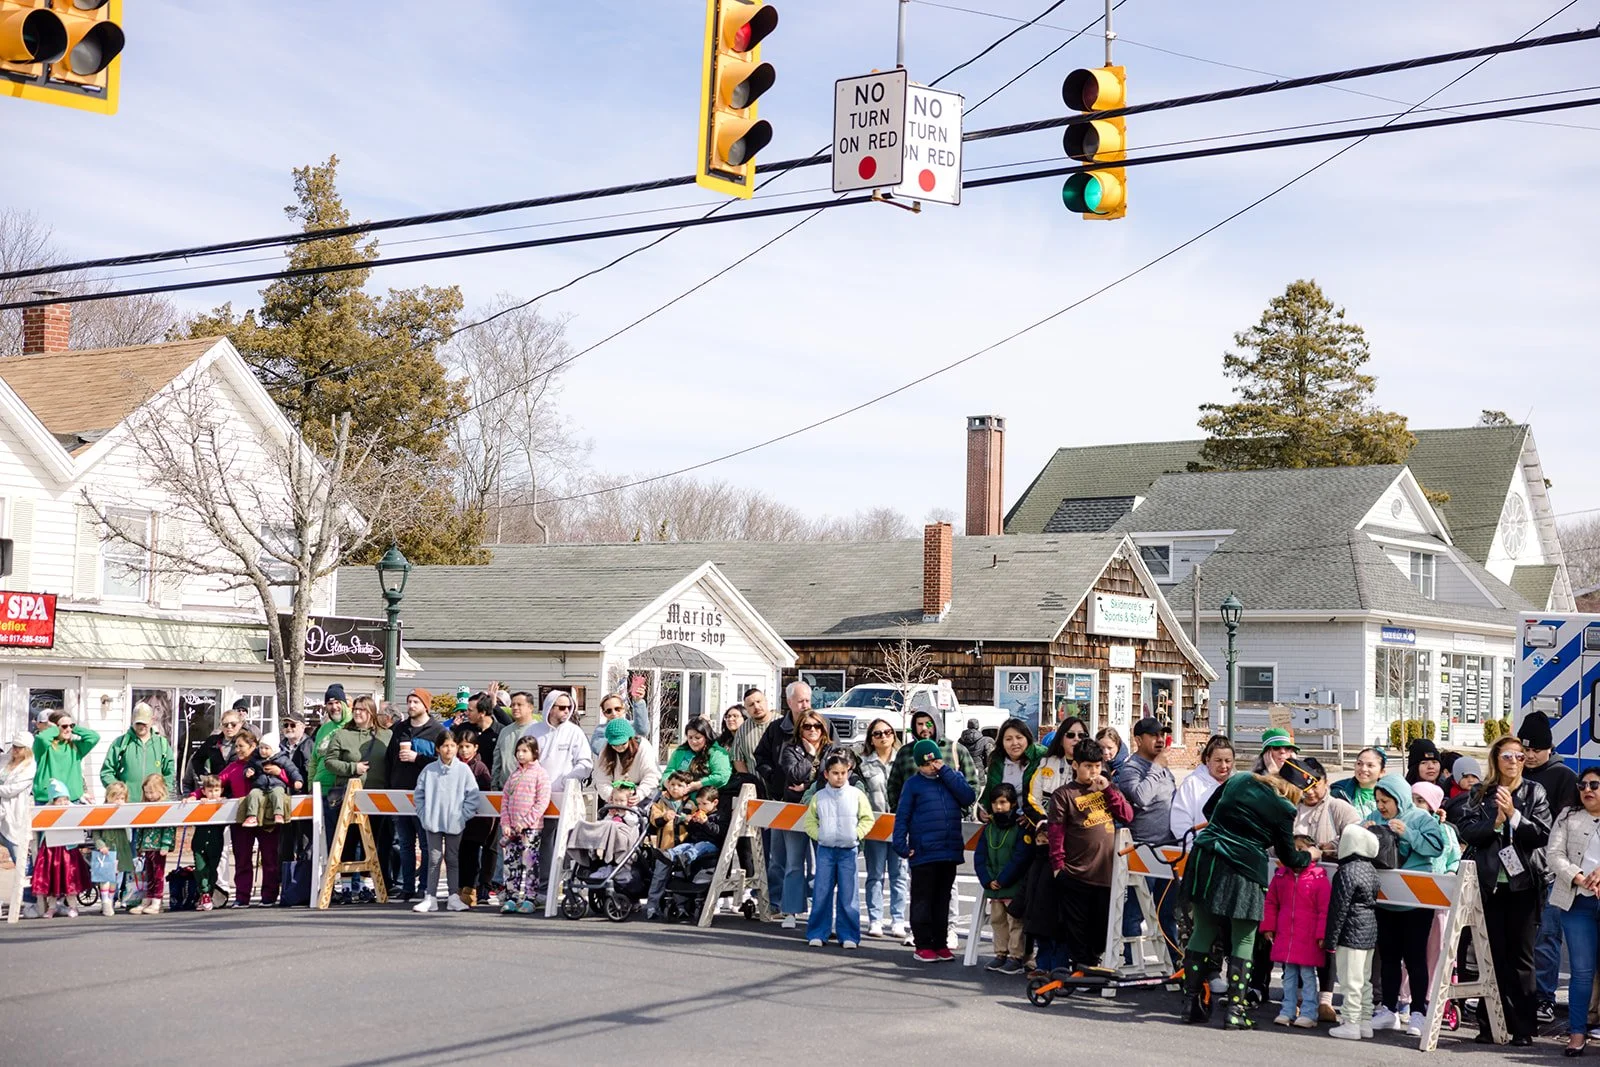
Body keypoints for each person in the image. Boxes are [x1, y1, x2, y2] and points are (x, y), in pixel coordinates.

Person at [1180, 771, 1317, 1029]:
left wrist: (1228, 828)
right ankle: (1235, 1010)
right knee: (1244, 937)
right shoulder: (1284, 808)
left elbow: (1210, 809)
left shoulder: (1240, 779)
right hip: (1243, 867)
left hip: (1206, 856)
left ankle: (1191, 1004)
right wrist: (1309, 855)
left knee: (1203, 930)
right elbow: (1290, 857)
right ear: (1296, 792)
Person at [1453, 733, 1553, 1046]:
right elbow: (1467, 830)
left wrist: (1514, 816)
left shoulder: (1534, 791)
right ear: (1496, 759)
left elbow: (1542, 834)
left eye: (1520, 756)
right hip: (1488, 885)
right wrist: (1495, 822)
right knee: (1489, 955)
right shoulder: (1481, 792)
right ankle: (1490, 1024)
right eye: (1507, 756)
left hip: (1523, 885)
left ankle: (1523, 1028)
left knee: (1521, 958)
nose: (1514, 762)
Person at [1366, 771, 1446, 1036]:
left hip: (1415, 901)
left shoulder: (1421, 817)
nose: (1381, 806)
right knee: (1388, 956)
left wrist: (1408, 833)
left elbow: (1436, 847)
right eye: (1378, 801)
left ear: (1399, 799)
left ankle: (1418, 1012)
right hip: (1385, 899)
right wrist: (1363, 832)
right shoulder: (1375, 818)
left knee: (1415, 958)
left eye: (1386, 801)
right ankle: (1388, 1009)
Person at [1047, 737, 1135, 972]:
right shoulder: (1064, 794)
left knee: (1101, 927)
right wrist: (1058, 865)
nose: (1093, 771)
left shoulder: (1108, 788)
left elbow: (1127, 815)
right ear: (1076, 765)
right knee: (1077, 928)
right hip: (1075, 873)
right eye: (1088, 766)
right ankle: (1081, 969)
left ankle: (1092, 965)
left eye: (1097, 766)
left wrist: (1108, 789)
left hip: (1105, 872)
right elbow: (1055, 831)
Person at [892, 738, 977, 962]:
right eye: (927, 763)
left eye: (936, 760)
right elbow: (902, 816)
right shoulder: (913, 784)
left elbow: (968, 796)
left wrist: (947, 772)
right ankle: (923, 944)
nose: (933, 766)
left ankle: (941, 943)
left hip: (948, 850)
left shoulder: (951, 778)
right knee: (923, 899)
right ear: (919, 764)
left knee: (942, 899)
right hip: (923, 851)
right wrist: (901, 845)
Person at [1522, 710, 1580, 1025]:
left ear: (1550, 748)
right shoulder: (1514, 771)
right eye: (1525, 749)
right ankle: (1519, 994)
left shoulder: (1564, 777)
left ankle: (1544, 998)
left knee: (1547, 936)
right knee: (1518, 936)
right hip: (1517, 868)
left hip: (1552, 870)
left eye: (1536, 750)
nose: (1529, 756)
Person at [1022, 718, 1087, 973]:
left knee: (1068, 913)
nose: (1076, 740)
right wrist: (1044, 823)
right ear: (1061, 738)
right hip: (1046, 846)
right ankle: (1044, 962)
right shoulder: (1046, 765)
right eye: (1070, 735)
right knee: (1042, 908)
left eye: (1081, 735)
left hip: (1077, 851)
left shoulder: (1094, 769)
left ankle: (1065, 965)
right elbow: (1031, 800)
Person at [1547, 765, 1600, 1056]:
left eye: (1594, 785)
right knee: (1581, 972)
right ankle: (1577, 1031)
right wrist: (1579, 876)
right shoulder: (1568, 817)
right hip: (1576, 902)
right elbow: (1553, 854)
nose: (1587, 790)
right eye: (1583, 785)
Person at [1116, 716, 1178, 952]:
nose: (1159, 740)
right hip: (1144, 849)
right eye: (1153, 735)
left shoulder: (1162, 767)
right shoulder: (1131, 768)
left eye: (1162, 735)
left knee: (1167, 912)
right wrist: (1156, 769)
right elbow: (1140, 797)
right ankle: (1133, 962)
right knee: (1135, 911)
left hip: (1169, 848)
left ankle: (1173, 962)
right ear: (1139, 739)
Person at [323, 694, 391, 900]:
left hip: (378, 796)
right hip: (349, 797)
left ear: (371, 712)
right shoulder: (342, 735)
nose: (358, 712)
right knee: (349, 841)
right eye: (356, 709)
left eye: (362, 709)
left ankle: (367, 885)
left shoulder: (385, 735)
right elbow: (329, 762)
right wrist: (353, 767)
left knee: (373, 842)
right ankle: (345, 886)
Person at [803, 753, 874, 948]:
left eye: (843, 773)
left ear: (849, 772)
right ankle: (818, 932)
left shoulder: (857, 795)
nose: (839, 777)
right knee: (821, 892)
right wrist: (821, 835)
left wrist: (856, 835)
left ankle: (849, 935)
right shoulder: (819, 796)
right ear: (826, 774)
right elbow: (809, 822)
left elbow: (867, 819)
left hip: (848, 850)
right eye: (835, 773)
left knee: (849, 894)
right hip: (825, 850)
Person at [1260, 832, 1331, 1027]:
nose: (1296, 853)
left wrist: (1321, 935)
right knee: (1288, 976)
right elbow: (1271, 902)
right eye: (1294, 849)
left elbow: (1324, 910)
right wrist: (1268, 926)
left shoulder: (1319, 878)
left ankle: (1309, 1012)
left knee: (1308, 976)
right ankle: (1287, 1010)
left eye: (1302, 848)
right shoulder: (1281, 876)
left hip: (1308, 937)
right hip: (1285, 935)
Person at [771, 708, 834, 928]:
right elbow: (794, 775)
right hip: (794, 811)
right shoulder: (790, 750)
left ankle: (821, 910)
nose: (813, 730)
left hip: (825, 812)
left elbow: (832, 780)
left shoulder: (832, 750)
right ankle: (790, 911)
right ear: (800, 729)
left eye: (817, 725)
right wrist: (808, 755)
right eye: (807, 726)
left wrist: (807, 786)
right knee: (793, 864)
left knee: (822, 865)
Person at [531, 689, 594, 894]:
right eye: (561, 707)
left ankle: (569, 885)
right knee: (544, 842)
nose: (566, 711)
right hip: (538, 797)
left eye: (569, 707)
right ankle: (543, 886)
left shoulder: (574, 732)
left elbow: (585, 762)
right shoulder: (533, 731)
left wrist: (571, 778)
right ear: (550, 708)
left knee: (567, 841)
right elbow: (523, 759)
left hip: (566, 797)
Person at [412, 728, 481, 913]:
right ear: (437, 749)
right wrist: (424, 814)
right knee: (434, 858)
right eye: (444, 746)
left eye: (452, 746)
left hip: (454, 822)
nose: (448, 750)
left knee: (452, 858)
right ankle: (430, 896)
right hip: (433, 821)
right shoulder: (429, 770)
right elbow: (418, 795)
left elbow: (473, 795)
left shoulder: (463, 770)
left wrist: (463, 815)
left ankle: (453, 896)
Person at [387, 688, 444, 902]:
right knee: (405, 843)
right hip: (401, 792)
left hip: (426, 795)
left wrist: (417, 758)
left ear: (425, 706)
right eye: (409, 701)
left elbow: (443, 763)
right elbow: (390, 759)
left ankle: (426, 887)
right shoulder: (400, 729)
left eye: (416, 702)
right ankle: (407, 885)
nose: (411, 706)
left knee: (427, 844)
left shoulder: (437, 731)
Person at [1326, 824, 1382, 1041]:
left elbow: (1338, 909)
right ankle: (1365, 1022)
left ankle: (1350, 1022)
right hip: (1369, 930)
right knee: (1364, 980)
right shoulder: (1371, 870)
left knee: (1350, 980)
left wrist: (1331, 939)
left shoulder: (1346, 872)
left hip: (1350, 930)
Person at [218, 729, 282, 907]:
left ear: (253, 746)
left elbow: (289, 778)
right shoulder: (233, 767)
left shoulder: (269, 762)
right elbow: (217, 782)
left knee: (269, 857)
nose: (237, 750)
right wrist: (196, 794)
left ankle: (269, 895)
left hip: (267, 815)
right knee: (242, 858)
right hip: (242, 818)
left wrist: (278, 773)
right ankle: (242, 896)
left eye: (241, 746)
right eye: (236, 746)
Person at [858, 716, 907, 939]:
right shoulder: (864, 763)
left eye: (887, 732)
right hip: (876, 824)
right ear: (871, 739)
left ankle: (898, 919)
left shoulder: (903, 760)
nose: (883, 737)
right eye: (877, 734)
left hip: (899, 824)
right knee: (875, 874)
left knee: (899, 874)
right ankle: (875, 919)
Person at [975, 782, 1030, 973]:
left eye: (1003, 802)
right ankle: (1000, 953)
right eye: (995, 803)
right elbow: (980, 856)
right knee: (997, 921)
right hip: (994, 887)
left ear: (1013, 804)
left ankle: (1016, 956)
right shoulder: (989, 829)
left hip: (1012, 886)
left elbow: (1020, 857)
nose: (998, 807)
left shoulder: (1020, 827)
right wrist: (987, 879)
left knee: (1015, 922)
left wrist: (1004, 879)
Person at [646, 786, 724, 921]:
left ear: (714, 803)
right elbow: (692, 833)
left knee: (699, 846)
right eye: (699, 804)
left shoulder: (718, 816)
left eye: (704, 804)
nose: (701, 807)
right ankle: (670, 855)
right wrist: (692, 822)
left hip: (711, 845)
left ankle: (686, 857)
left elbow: (718, 833)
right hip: (694, 843)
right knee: (686, 845)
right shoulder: (698, 813)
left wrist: (705, 823)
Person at [500, 737, 550, 915]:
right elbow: (505, 800)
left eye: (525, 751)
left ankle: (530, 898)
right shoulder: (513, 775)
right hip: (512, 829)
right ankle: (511, 897)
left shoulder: (540, 774)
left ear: (534, 753)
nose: (520, 754)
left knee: (530, 864)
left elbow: (541, 802)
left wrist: (525, 822)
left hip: (532, 829)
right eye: (518, 751)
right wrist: (506, 823)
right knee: (511, 863)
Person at [99, 703, 175, 803]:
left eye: (145, 723)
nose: (141, 726)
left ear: (152, 720)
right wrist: (117, 792)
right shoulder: (120, 743)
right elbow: (106, 772)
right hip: (126, 805)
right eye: (138, 723)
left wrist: (163, 794)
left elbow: (170, 774)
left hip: (154, 806)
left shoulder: (162, 744)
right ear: (133, 721)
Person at [31, 779, 85, 918]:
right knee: (53, 878)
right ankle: (52, 906)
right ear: (53, 801)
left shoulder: (72, 809)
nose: (63, 803)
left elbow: (82, 815)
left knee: (69, 877)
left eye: (65, 799)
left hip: (68, 849)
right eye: (59, 800)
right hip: (51, 850)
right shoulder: (46, 811)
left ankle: (73, 906)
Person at [454, 729, 494, 907]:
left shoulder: (479, 767)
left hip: (476, 821)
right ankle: (460, 887)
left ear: (475, 747)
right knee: (460, 854)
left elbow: (484, 793)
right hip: (457, 820)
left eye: (467, 746)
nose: (464, 750)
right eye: (460, 746)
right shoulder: (453, 765)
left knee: (472, 855)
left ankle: (471, 889)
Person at [31, 710, 100, 804]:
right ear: (54, 727)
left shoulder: (75, 747)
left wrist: (74, 728)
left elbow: (94, 737)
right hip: (47, 800)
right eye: (64, 726)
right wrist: (54, 729)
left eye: (70, 726)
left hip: (73, 799)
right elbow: (42, 738)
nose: (68, 729)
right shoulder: (44, 747)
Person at [980, 719, 1044, 818]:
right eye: (1008, 739)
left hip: (1034, 824)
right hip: (1005, 822)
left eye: (1019, 737)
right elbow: (989, 791)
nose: (1015, 743)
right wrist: (982, 811)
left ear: (1027, 738)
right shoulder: (997, 761)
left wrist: (1033, 816)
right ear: (1002, 742)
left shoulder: (1041, 757)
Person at [131, 773, 175, 915]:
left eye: (152, 792)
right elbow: (140, 827)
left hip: (158, 846)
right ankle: (148, 898)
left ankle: (157, 899)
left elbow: (169, 827)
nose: (149, 795)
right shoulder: (145, 807)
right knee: (148, 873)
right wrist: (138, 845)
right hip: (147, 845)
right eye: (146, 792)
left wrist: (166, 844)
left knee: (158, 873)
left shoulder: (165, 806)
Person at [90, 781, 134, 916]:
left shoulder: (125, 812)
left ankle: (110, 900)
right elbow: (96, 832)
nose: (119, 801)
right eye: (116, 798)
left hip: (120, 849)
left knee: (115, 878)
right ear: (108, 797)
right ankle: (105, 902)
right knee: (105, 877)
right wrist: (101, 845)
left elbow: (129, 833)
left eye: (122, 798)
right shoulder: (102, 812)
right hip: (107, 848)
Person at [593, 720, 662, 804]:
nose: (619, 747)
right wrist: (610, 796)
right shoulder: (605, 751)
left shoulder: (643, 747)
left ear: (630, 738)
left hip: (643, 796)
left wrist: (640, 793)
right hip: (616, 798)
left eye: (623, 743)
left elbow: (652, 775)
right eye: (615, 744)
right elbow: (602, 780)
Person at [241, 733, 301, 829]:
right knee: (253, 794)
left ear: (273, 749)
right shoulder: (255, 759)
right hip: (260, 786)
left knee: (278, 793)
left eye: (266, 748)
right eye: (261, 748)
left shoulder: (282, 759)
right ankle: (252, 816)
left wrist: (298, 780)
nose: (263, 751)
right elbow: (248, 767)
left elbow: (292, 770)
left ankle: (278, 813)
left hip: (276, 784)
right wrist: (248, 772)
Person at [184, 701, 244, 793]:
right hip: (216, 791)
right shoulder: (213, 741)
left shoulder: (246, 741)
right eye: (225, 724)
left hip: (238, 789)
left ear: (240, 724)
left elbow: (255, 761)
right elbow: (197, 759)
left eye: (233, 724)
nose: (229, 727)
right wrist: (203, 776)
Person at [663, 718, 732, 793]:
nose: (693, 741)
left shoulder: (717, 753)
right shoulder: (680, 752)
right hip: (677, 796)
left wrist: (700, 784)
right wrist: (666, 783)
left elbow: (721, 776)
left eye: (697, 738)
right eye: (690, 737)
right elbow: (669, 771)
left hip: (705, 798)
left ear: (706, 737)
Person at [0, 731, 36, 870]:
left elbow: (12, 790)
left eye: (19, 747)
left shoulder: (29, 766)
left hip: (14, 812)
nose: (15, 750)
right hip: (1, 810)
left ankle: (28, 888)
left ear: (26, 749)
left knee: (17, 853)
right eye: (14, 746)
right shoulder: (5, 761)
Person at [492, 690, 540, 789]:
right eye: (513, 705)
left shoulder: (539, 730)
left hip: (529, 791)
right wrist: (494, 785)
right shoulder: (504, 731)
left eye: (519, 704)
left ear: (530, 707)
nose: (515, 708)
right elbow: (497, 760)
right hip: (504, 789)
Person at [192, 775, 226, 911]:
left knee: (212, 869)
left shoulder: (223, 804)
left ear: (221, 791)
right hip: (199, 843)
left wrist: (223, 804)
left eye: (216, 790)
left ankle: (209, 893)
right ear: (204, 791)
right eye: (210, 791)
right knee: (200, 868)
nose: (213, 794)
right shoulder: (200, 804)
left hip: (215, 843)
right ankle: (204, 893)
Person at [588, 686, 651, 756]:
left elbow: (643, 730)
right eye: (609, 711)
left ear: (623, 709)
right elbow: (598, 748)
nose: (614, 713)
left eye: (617, 709)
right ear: (604, 713)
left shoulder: (631, 726)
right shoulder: (600, 730)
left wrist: (638, 702)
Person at [1330, 747, 1386, 818]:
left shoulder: (1392, 794)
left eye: (1370, 765)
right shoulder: (1340, 792)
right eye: (1359, 764)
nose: (1363, 769)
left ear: (1382, 772)